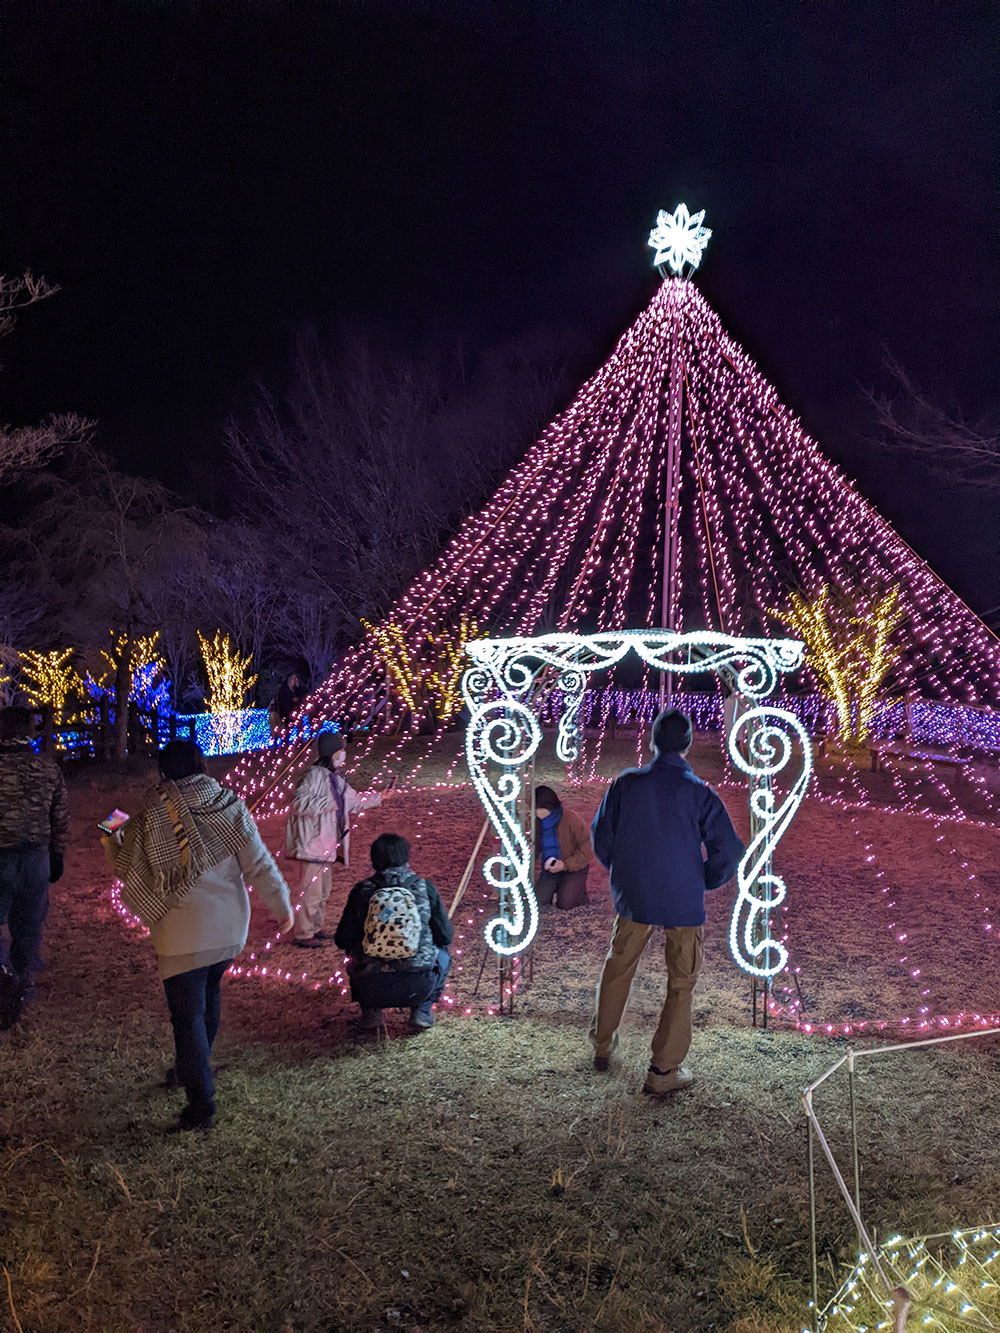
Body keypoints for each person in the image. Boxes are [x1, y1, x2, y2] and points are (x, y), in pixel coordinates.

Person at [104, 740, 293, 1132]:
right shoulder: (228, 805)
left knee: (187, 1017)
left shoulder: (149, 815)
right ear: (202, 766)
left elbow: (124, 862)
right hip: (228, 930)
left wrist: (114, 827)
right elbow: (259, 864)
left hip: (180, 936)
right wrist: (283, 909)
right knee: (208, 995)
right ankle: (193, 1069)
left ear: (163, 772)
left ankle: (200, 1105)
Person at [589, 708, 743, 1096]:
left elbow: (601, 837)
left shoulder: (626, 783)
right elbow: (727, 849)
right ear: (688, 744)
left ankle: (603, 1043)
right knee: (681, 981)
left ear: (652, 741)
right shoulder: (701, 793)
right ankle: (663, 1070)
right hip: (682, 898)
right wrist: (703, 880)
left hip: (634, 893)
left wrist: (622, 871)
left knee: (619, 965)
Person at [334, 832, 452, 1033]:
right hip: (418, 984)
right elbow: (445, 936)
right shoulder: (424, 888)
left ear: (374, 859)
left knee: (355, 954)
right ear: (406, 856)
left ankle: (371, 1012)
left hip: (370, 984)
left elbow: (342, 939)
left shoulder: (362, 891)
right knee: (443, 953)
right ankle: (422, 1010)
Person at [0, 706, 69, 1029]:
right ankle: (23, 981)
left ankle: (3, 977)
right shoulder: (47, 767)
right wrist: (57, 855)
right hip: (36, 856)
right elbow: (60, 817)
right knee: (28, 927)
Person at [284, 730, 383, 948]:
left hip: (326, 847)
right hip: (312, 846)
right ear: (331, 754)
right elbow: (298, 803)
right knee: (311, 892)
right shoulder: (313, 776)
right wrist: (326, 805)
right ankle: (303, 933)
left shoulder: (335, 780)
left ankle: (315, 927)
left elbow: (355, 801)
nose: (343, 756)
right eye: (340, 751)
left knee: (323, 891)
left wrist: (379, 797)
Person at [534, 785, 592, 909]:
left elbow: (587, 849)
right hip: (551, 867)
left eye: (537, 808)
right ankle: (559, 885)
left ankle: (578, 891)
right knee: (538, 900)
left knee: (566, 903)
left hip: (573, 867)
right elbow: (536, 846)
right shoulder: (537, 822)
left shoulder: (572, 820)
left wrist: (565, 865)